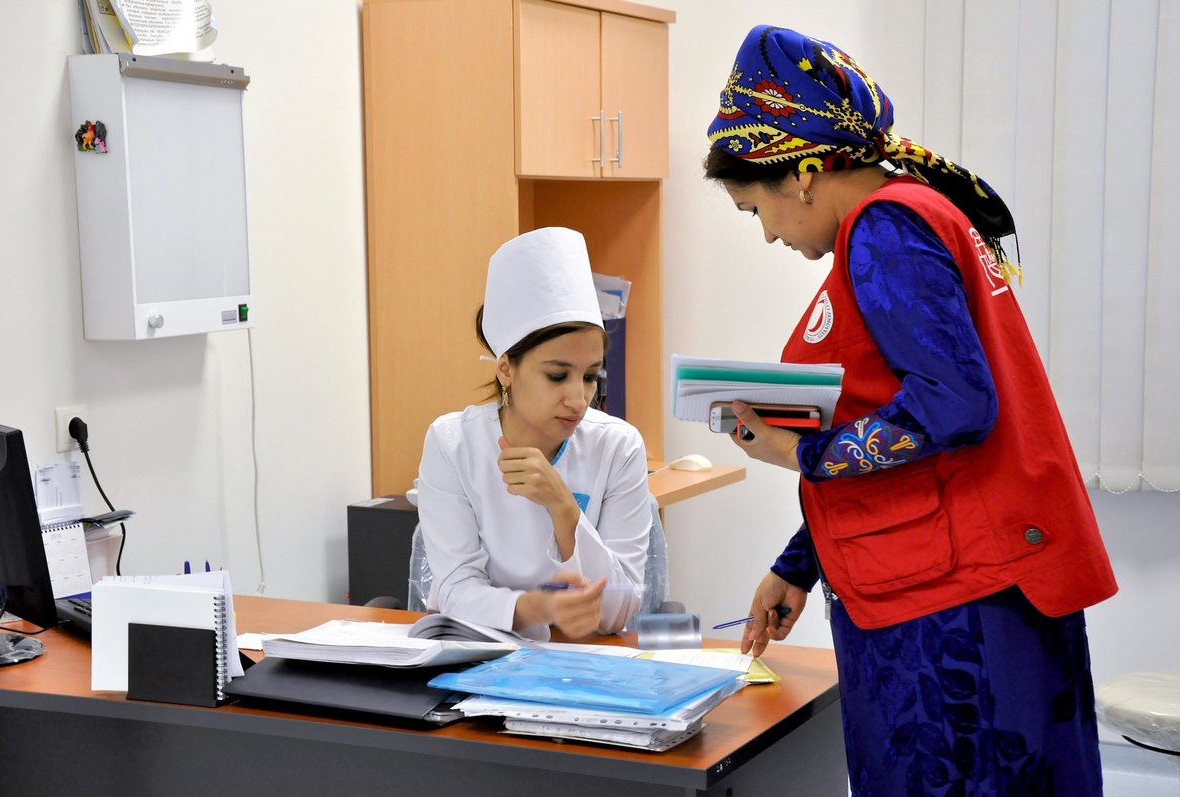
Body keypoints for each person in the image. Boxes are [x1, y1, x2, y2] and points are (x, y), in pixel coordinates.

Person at [704, 26, 1117, 795]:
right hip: (960, 586)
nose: (765, 233)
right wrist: (800, 562)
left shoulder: (885, 231)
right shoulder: (910, 217)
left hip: (955, 611)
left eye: (753, 207)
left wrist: (797, 451)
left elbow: (955, 406)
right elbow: (899, 408)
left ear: (802, 175)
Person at [416, 227, 651, 642]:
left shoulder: (618, 446)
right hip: (480, 652)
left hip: (583, 658)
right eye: (557, 375)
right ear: (506, 368)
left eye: (590, 377)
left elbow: (617, 612)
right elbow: (454, 591)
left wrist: (564, 508)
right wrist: (540, 608)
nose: (578, 399)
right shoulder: (453, 444)